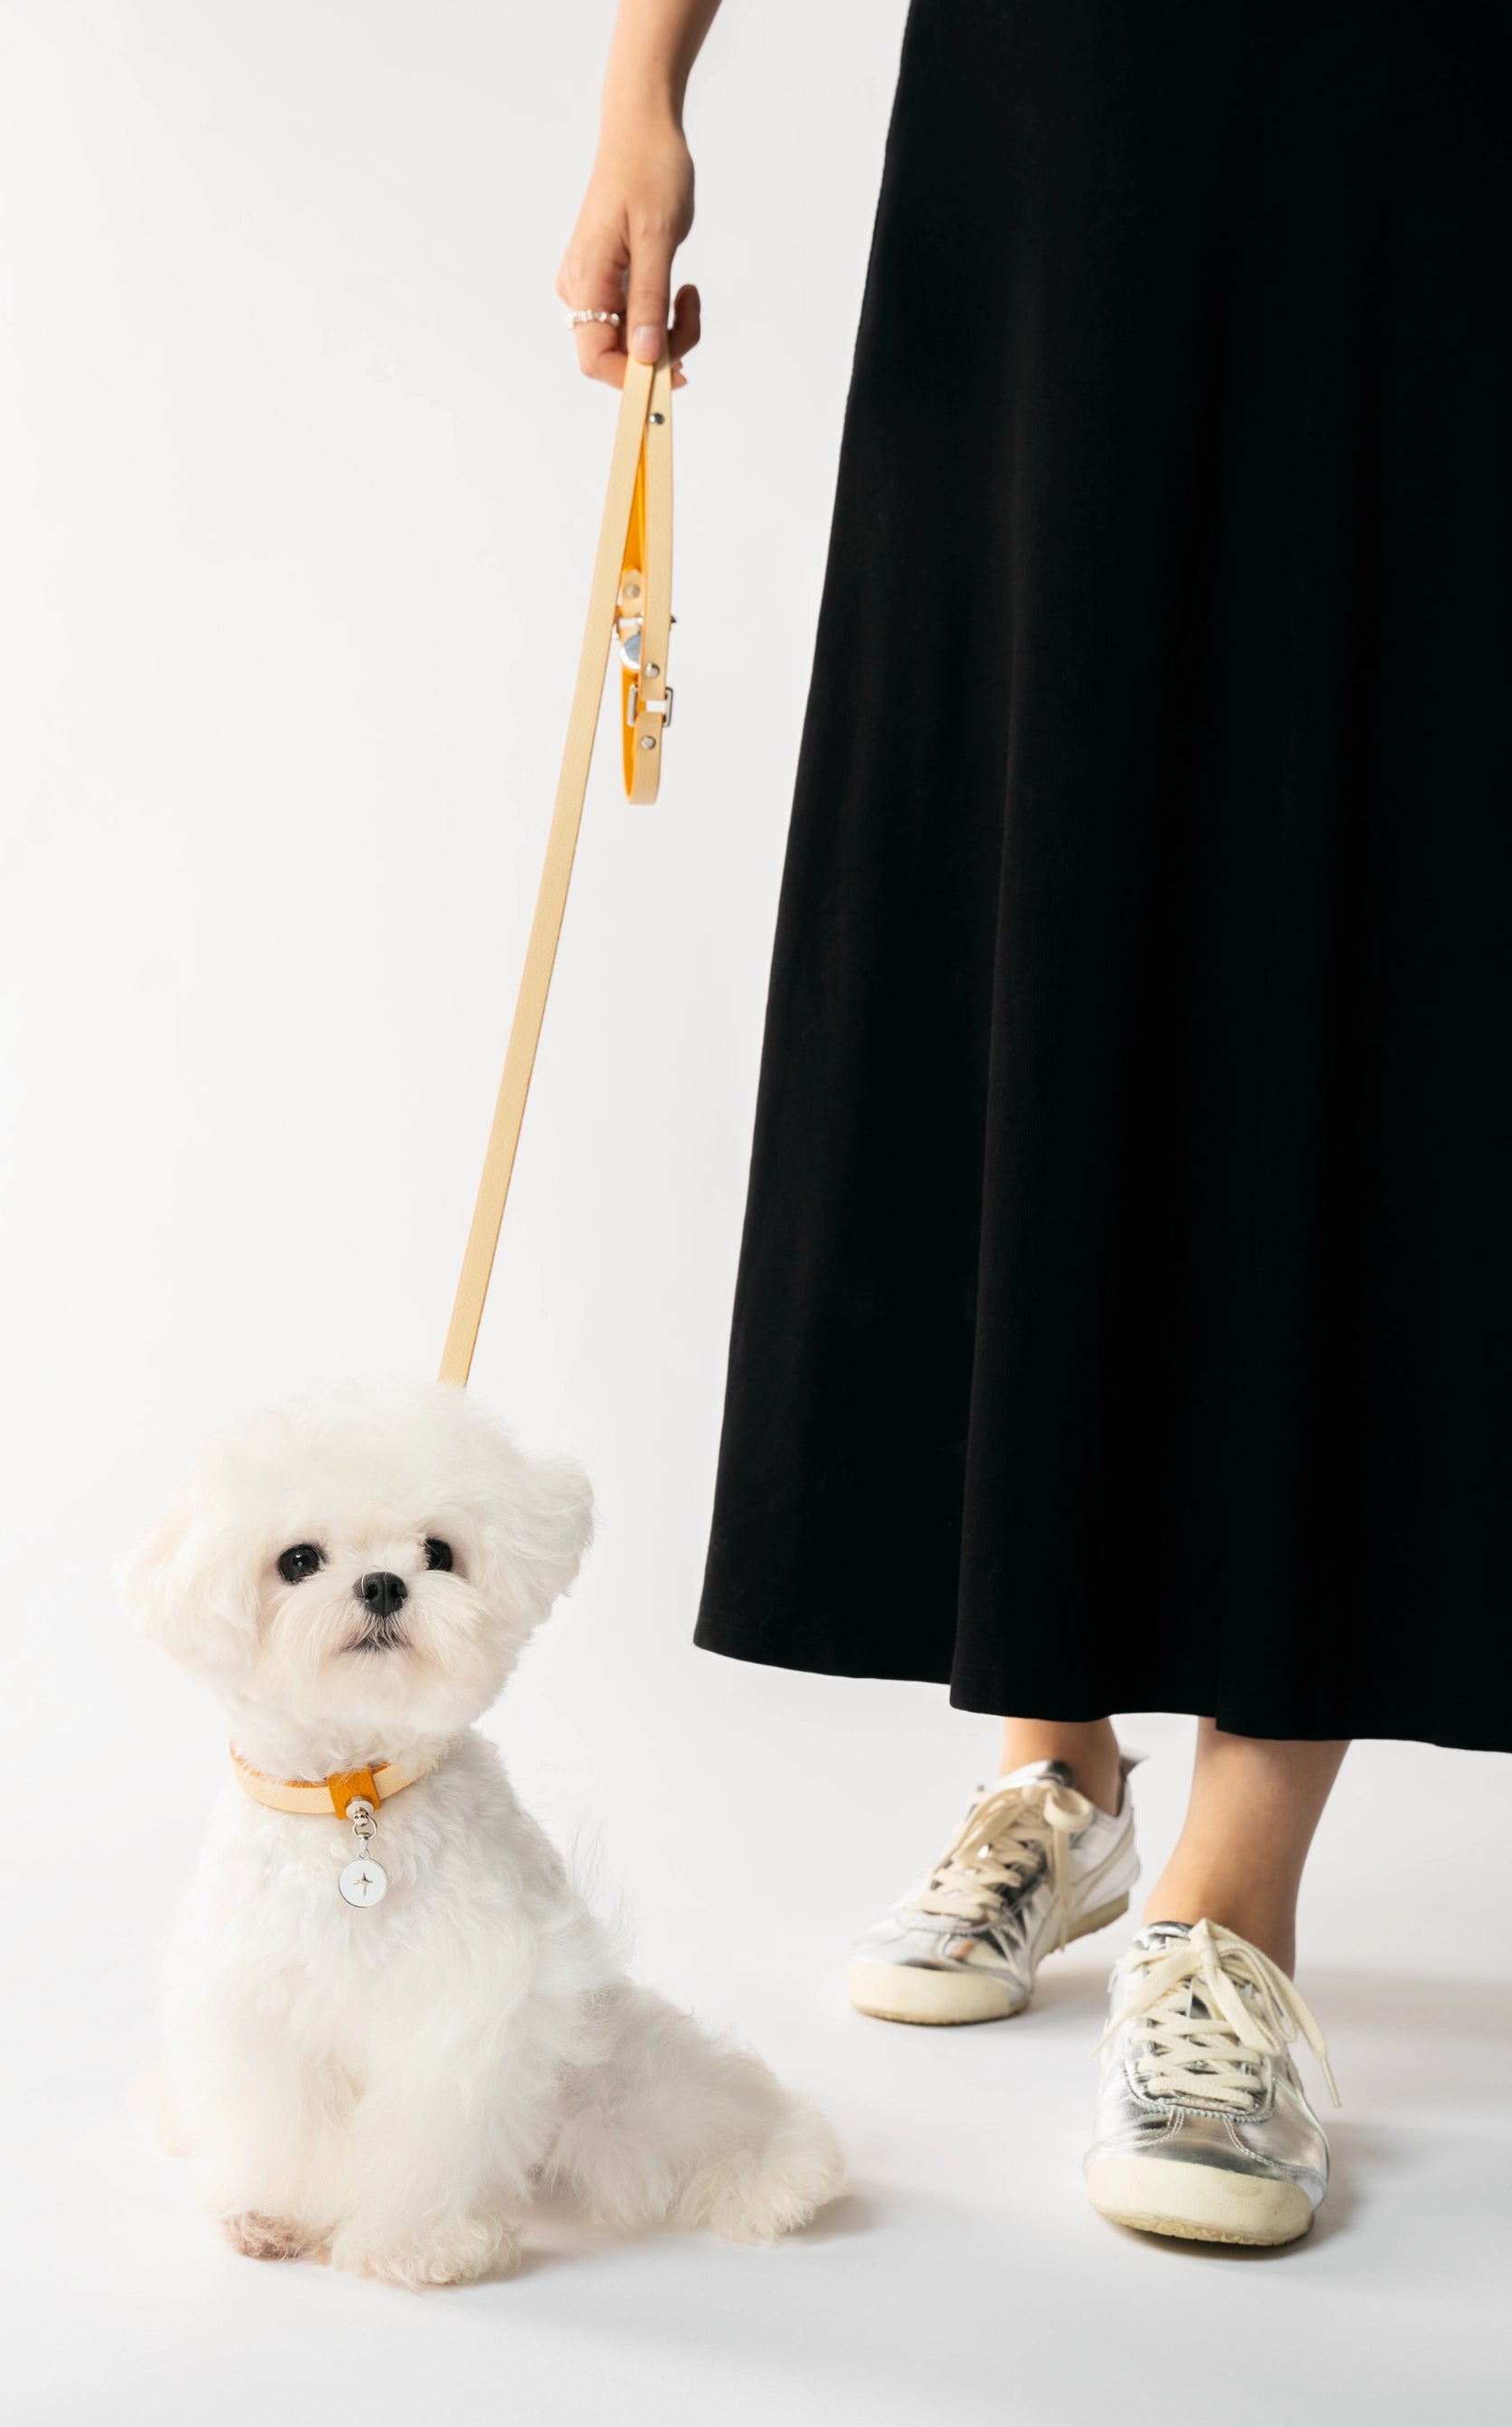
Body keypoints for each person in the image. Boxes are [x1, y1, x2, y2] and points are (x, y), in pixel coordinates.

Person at [559, 0, 1512, 2248]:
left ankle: (1230, 1896)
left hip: (1433, 127)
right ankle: (1050, 1766)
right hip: (1048, 109)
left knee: (1363, 870)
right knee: (1029, 827)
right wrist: (640, 89)